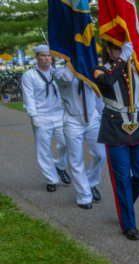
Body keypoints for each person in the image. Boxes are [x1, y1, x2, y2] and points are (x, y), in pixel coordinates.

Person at [92, 42, 139, 238]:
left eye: (124, 47)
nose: (122, 51)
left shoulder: (137, 69)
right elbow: (107, 83)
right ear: (109, 49)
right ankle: (128, 224)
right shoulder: (100, 70)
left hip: (138, 129)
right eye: (117, 48)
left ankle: (123, 204)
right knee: (122, 179)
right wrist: (122, 58)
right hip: (115, 129)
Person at [53, 62, 106, 209]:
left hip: (93, 118)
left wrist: (103, 116)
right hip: (72, 120)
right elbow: (68, 78)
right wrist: (75, 59)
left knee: (102, 154)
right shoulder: (58, 72)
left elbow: (99, 95)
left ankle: (90, 182)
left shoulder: (91, 70)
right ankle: (84, 195)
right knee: (76, 159)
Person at [21, 44, 71, 192]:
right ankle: (52, 179)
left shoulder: (58, 72)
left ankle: (60, 166)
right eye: (43, 55)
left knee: (67, 143)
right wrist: (33, 115)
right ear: (37, 57)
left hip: (60, 114)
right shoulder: (29, 75)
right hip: (41, 116)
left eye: (49, 55)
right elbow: (28, 97)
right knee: (44, 150)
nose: (47, 58)